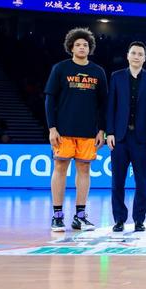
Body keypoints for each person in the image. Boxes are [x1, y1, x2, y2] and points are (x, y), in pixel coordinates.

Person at [44, 27, 107, 232]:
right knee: (60, 168)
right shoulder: (60, 68)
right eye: (78, 44)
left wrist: (102, 130)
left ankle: (80, 216)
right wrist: (52, 128)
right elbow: (50, 100)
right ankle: (57, 216)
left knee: (84, 170)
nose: (82, 47)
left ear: (90, 48)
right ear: (71, 47)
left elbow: (104, 105)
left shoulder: (98, 71)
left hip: (88, 131)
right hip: (63, 131)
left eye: (85, 45)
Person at [106, 41, 146, 233]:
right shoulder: (116, 77)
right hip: (119, 137)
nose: (136, 56)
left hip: (142, 138)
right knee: (117, 181)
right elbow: (111, 106)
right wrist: (110, 132)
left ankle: (139, 219)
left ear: (144, 58)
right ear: (127, 55)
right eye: (134, 53)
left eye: (140, 54)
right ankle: (119, 219)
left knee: (142, 181)